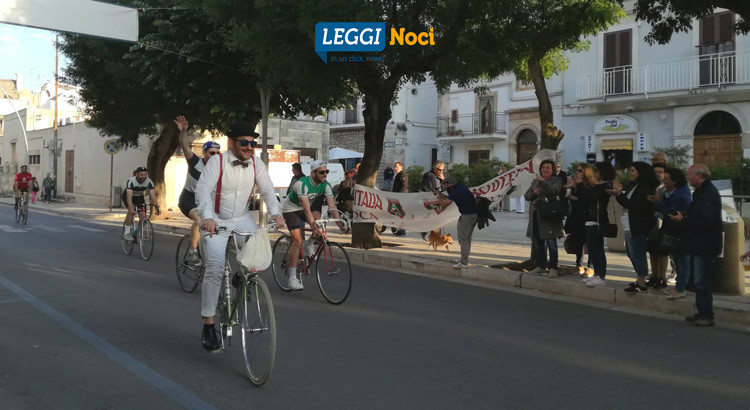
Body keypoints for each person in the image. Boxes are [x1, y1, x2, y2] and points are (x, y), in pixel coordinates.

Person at [195, 121, 285, 352]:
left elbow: (266, 188)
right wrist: (207, 216)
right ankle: (208, 324)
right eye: (244, 142)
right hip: (215, 217)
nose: (249, 147)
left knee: (257, 251)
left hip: (241, 217)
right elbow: (203, 189)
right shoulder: (218, 161)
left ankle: (241, 278)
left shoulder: (256, 163)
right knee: (214, 268)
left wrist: (276, 213)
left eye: (252, 143)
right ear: (232, 143)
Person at [668, 165, 721, 326]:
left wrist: (683, 220)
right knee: (699, 280)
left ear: (699, 175)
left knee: (702, 280)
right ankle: (701, 311)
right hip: (699, 243)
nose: (688, 177)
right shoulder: (701, 192)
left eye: (690, 175)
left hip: (706, 244)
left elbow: (706, 220)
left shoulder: (709, 193)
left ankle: (706, 314)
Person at [281, 160, 345, 291]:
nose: (325, 174)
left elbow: (332, 207)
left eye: (326, 172)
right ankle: (292, 279)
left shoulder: (325, 185)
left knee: (319, 224)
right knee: (297, 240)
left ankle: (310, 243)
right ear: (313, 173)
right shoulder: (302, 184)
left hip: (305, 207)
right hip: (290, 209)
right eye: (321, 172)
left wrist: (340, 224)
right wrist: (312, 225)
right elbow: (305, 208)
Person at [175, 115, 221, 265]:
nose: (214, 156)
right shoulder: (195, 162)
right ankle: (192, 252)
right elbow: (185, 147)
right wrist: (183, 132)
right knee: (199, 219)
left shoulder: (220, 169)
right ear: (204, 154)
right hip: (189, 199)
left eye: (217, 153)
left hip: (207, 201)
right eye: (211, 153)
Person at [607, 162, 658, 294]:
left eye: (633, 170)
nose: (630, 172)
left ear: (641, 172)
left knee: (638, 253)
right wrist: (618, 194)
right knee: (631, 253)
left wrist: (618, 194)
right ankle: (639, 278)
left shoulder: (645, 188)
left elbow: (633, 205)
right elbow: (627, 202)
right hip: (629, 224)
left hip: (638, 225)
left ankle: (641, 282)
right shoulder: (634, 185)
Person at [648, 168, 691, 299]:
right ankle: (680, 286)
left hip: (679, 230)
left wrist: (658, 203)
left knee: (682, 260)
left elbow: (671, 212)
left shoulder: (681, 195)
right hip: (672, 228)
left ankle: (681, 287)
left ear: (675, 181)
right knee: (677, 259)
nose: (664, 181)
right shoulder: (669, 192)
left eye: (667, 179)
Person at [524, 159, 564, 278]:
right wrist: (534, 193)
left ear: (553, 170)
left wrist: (544, 183)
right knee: (538, 242)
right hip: (536, 217)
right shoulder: (535, 181)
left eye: (548, 168)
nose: (545, 170)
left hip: (549, 216)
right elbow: (527, 196)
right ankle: (541, 266)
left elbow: (554, 190)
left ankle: (553, 267)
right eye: (543, 168)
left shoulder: (556, 180)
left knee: (551, 243)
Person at [580, 161, 617, 287]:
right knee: (592, 249)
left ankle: (601, 276)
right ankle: (596, 274)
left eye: (596, 170)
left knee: (598, 249)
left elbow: (593, 197)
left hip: (598, 220)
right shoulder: (596, 186)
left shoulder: (605, 186)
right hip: (589, 219)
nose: (594, 173)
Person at [434, 175, 477, 269]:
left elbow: (444, 204)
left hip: (467, 217)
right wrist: (440, 195)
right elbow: (449, 198)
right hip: (473, 215)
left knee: (463, 240)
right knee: (467, 239)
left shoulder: (456, 191)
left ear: (449, 184)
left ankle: (464, 263)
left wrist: (437, 195)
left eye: (445, 184)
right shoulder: (460, 187)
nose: (444, 187)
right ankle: (463, 259)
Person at [564, 164, 595, 276]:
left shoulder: (589, 186)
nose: (577, 172)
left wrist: (574, 195)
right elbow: (568, 196)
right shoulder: (576, 185)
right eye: (576, 170)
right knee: (578, 242)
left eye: (580, 171)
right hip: (576, 218)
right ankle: (579, 265)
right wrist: (570, 187)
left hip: (587, 218)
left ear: (586, 172)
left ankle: (591, 267)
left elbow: (584, 200)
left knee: (589, 242)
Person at [645, 163, 669, 290]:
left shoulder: (666, 188)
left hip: (662, 220)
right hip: (651, 222)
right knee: (652, 249)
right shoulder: (650, 187)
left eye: (661, 172)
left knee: (662, 251)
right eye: (655, 172)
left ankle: (662, 277)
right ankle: (654, 276)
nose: (658, 174)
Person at [121, 167, 160, 241]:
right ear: (136, 174)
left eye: (145, 175)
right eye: (141, 175)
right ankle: (127, 233)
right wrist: (131, 209)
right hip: (129, 196)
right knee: (131, 211)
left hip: (139, 197)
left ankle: (136, 233)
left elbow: (153, 195)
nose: (144, 177)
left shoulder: (149, 181)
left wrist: (156, 207)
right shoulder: (131, 181)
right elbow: (129, 196)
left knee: (143, 217)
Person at [420, 161, 445, 241]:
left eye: (442, 170)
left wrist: (443, 180)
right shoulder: (428, 175)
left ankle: (437, 236)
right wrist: (432, 191)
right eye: (439, 170)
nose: (440, 172)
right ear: (434, 168)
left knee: (438, 220)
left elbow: (445, 188)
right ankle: (425, 234)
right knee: (430, 220)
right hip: (431, 201)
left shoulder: (440, 176)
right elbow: (424, 188)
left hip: (439, 201)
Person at [391, 162, 408, 236]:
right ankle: (399, 229)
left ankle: (401, 229)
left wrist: (400, 196)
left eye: (397, 167)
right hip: (397, 197)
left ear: (401, 167)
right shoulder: (398, 175)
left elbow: (404, 187)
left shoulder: (403, 175)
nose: (395, 168)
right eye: (395, 167)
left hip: (401, 198)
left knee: (400, 214)